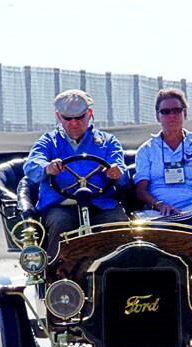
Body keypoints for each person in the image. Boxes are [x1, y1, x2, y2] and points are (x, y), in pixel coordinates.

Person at [20, 89, 129, 257]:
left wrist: (116, 172)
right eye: (68, 118)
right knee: (60, 223)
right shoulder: (49, 142)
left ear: (90, 114)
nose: (74, 123)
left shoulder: (108, 142)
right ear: (58, 117)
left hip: (101, 205)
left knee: (118, 225)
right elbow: (32, 166)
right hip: (61, 206)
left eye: (79, 117)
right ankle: (57, 275)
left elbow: (121, 173)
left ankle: (119, 273)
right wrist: (47, 167)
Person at [134, 88, 192, 251]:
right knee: (154, 237)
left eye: (177, 111)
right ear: (158, 116)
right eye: (165, 111)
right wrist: (159, 204)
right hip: (160, 213)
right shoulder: (146, 149)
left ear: (184, 114)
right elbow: (141, 190)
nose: (172, 116)